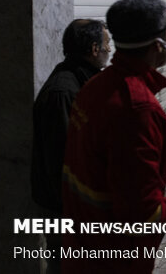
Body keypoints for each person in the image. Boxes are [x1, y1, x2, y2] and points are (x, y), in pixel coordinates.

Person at [61, 0, 166, 273]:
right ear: (159, 46)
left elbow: (126, 166)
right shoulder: (139, 109)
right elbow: (142, 215)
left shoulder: (96, 86)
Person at [31, 19, 110, 274]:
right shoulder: (64, 92)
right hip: (64, 211)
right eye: (107, 45)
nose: (110, 51)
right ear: (95, 49)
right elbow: (64, 161)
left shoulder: (83, 80)